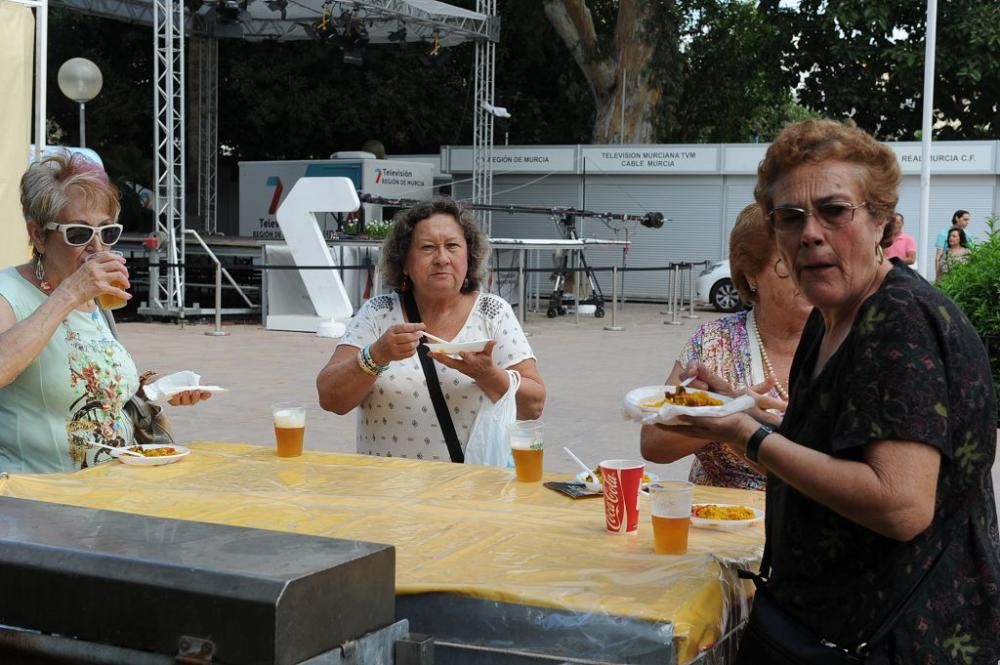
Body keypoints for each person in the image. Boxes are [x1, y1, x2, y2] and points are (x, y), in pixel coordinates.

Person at [661, 120, 1000, 663]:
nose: (810, 233)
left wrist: (746, 435)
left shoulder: (899, 320)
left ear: (881, 222)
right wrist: (738, 406)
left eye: (834, 211)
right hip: (820, 623)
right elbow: (835, 451)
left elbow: (900, 504)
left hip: (896, 637)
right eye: (790, 218)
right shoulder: (831, 315)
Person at [0, 152, 212, 474]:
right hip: (35, 500)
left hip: (107, 495)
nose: (98, 248)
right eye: (80, 234)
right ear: (38, 236)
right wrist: (69, 293)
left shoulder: (95, 301)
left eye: (107, 232)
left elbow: (98, 385)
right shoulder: (10, 292)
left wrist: (157, 389)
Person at [317, 197, 545, 460]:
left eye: (452, 246)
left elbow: (534, 406)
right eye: (427, 247)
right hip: (388, 493)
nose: (442, 258)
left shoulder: (493, 313)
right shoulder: (378, 313)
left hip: (472, 494)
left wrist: (489, 375)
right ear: (404, 261)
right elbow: (330, 398)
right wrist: (376, 356)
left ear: (469, 258)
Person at [640, 203, 811, 490]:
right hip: (718, 519)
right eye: (789, 263)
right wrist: (722, 412)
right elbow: (653, 443)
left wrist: (743, 422)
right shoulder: (715, 342)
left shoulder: (848, 343)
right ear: (751, 275)